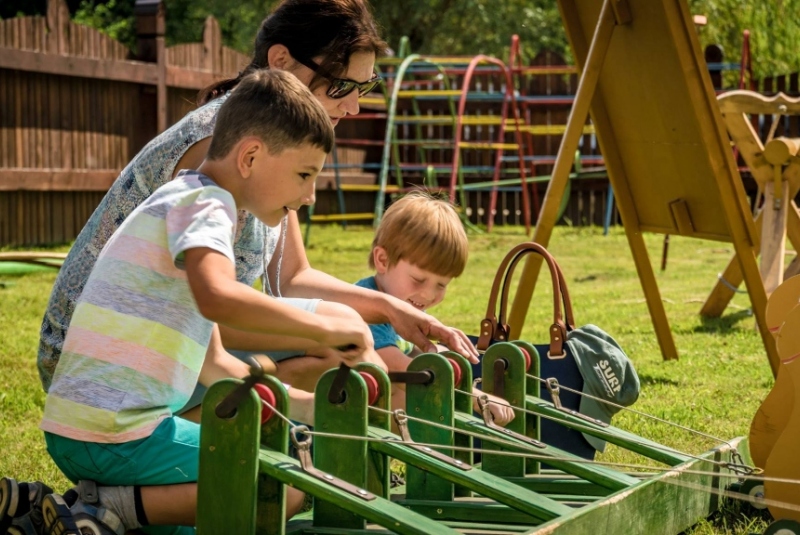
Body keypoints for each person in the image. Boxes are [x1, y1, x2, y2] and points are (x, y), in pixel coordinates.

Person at [37, 0, 477, 415]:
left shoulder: (270, 142)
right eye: (342, 85)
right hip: (97, 354)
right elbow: (201, 300)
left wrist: (391, 307)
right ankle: (139, 468)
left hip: (168, 334)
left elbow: (292, 278)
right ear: (281, 61)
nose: (354, 105)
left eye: (364, 87)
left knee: (336, 344)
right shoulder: (226, 146)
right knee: (335, 347)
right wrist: (334, 327)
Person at [35, 69, 371, 535]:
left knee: (201, 521)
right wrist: (327, 332)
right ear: (251, 156)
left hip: (92, 431)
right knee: (285, 482)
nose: (310, 195)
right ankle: (105, 509)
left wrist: (309, 407)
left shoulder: (189, 200)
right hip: (117, 433)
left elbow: (214, 365)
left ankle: (71, 513)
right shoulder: (206, 205)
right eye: (304, 174)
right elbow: (219, 297)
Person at [353, 191, 515, 426]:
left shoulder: (405, 301)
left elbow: (420, 352)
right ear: (383, 260)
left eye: (442, 284)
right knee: (410, 394)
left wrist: (447, 359)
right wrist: (472, 395)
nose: (429, 294)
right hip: (342, 404)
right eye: (418, 279)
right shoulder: (367, 306)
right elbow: (394, 363)